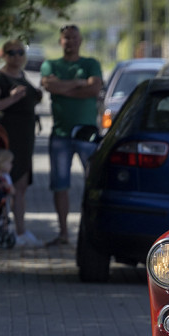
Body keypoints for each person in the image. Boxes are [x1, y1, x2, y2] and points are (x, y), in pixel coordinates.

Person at [40, 24, 103, 246]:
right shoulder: (51, 64)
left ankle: (90, 232)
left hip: (87, 134)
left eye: (74, 37)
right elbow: (49, 85)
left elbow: (94, 89)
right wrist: (78, 84)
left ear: (80, 40)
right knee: (60, 185)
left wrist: (63, 87)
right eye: (66, 38)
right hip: (60, 135)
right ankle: (64, 233)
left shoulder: (91, 63)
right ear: (60, 41)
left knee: (93, 184)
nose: (70, 41)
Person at [0, 39, 44, 247]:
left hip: (26, 138)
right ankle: (1, 229)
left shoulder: (23, 75)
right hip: (8, 136)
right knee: (3, 185)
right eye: (12, 53)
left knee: (21, 186)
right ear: (3, 55)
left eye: (20, 52)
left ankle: (20, 231)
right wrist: (12, 99)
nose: (16, 56)